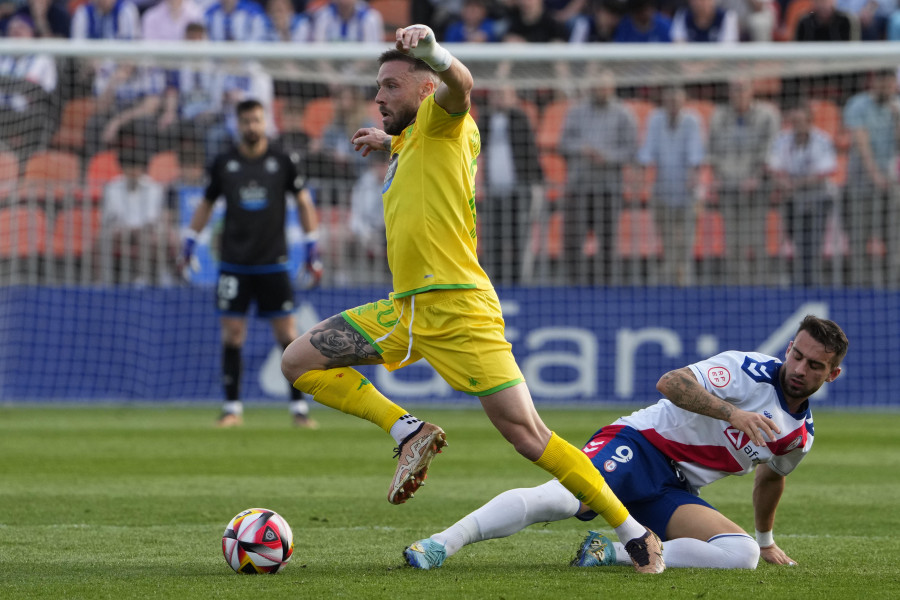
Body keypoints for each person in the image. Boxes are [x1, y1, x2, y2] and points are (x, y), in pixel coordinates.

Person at [280, 24, 664, 574]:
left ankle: (633, 534)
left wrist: (434, 52)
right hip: (405, 309)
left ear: (424, 91)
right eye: (377, 87)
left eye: (390, 85)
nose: (379, 96)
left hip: (459, 309)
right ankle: (408, 430)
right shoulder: (415, 139)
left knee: (529, 437)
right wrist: (386, 142)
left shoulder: (443, 118)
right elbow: (420, 151)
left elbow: (461, 85)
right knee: (298, 361)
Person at [403, 315, 848, 571]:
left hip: (672, 490)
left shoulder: (799, 437)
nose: (799, 368)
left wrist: (766, 539)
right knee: (560, 500)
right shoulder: (746, 369)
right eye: (796, 355)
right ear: (789, 348)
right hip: (638, 447)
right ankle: (442, 543)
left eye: (814, 365)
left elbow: (771, 479)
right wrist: (734, 414)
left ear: (832, 375)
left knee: (741, 555)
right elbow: (670, 382)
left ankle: (612, 550)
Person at [181, 99, 322, 428]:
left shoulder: (283, 159)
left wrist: (312, 245)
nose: (251, 127)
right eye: (245, 121)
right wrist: (190, 241)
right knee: (232, 334)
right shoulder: (224, 162)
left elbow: (303, 202)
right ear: (237, 124)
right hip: (234, 262)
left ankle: (299, 409)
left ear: (265, 122)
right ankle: (232, 408)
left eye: (256, 120)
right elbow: (206, 203)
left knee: (288, 335)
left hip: (274, 261)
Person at [559, 67, 638, 285]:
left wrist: (607, 157)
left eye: (605, 86)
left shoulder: (624, 113)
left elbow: (631, 150)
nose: (601, 90)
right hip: (580, 186)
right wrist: (581, 149)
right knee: (574, 240)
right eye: (597, 85)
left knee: (608, 241)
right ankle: (574, 287)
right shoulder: (576, 112)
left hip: (608, 188)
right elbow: (563, 143)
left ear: (612, 88)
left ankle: (607, 288)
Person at [708, 77, 779, 285]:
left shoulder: (767, 115)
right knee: (733, 242)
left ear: (751, 91)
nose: (738, 94)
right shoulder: (718, 116)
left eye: (742, 89)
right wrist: (719, 177)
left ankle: (761, 286)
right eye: (734, 90)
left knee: (757, 239)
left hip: (757, 188)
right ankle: (736, 288)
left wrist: (756, 177)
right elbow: (712, 151)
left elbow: (770, 149)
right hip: (728, 187)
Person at [637, 85, 705, 286]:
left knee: (685, 243)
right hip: (663, 191)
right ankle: (670, 284)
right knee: (667, 244)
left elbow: (696, 154)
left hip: (688, 193)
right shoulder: (655, 119)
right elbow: (647, 151)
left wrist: (693, 179)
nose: (673, 105)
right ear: (664, 101)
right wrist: (641, 173)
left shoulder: (693, 120)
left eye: (677, 101)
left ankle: (685, 284)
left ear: (684, 101)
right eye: (669, 100)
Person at [477, 84, 544, 285]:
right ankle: (493, 283)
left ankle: (517, 282)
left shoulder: (520, 119)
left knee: (518, 237)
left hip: (519, 189)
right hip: (492, 190)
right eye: (496, 94)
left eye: (504, 95)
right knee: (492, 237)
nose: (499, 99)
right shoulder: (485, 120)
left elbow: (530, 154)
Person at [767, 99, 837, 288]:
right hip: (791, 199)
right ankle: (800, 280)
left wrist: (795, 183)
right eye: (794, 122)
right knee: (797, 240)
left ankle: (812, 281)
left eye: (801, 121)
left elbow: (826, 170)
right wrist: (784, 183)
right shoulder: (782, 139)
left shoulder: (822, 139)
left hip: (819, 198)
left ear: (809, 121)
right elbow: (773, 166)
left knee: (813, 242)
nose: (797, 126)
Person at [842, 69, 900, 288]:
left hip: (891, 184)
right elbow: (861, 142)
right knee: (859, 239)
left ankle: (894, 287)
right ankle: (859, 288)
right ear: (873, 82)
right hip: (860, 184)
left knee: (895, 239)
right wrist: (875, 175)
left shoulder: (897, 107)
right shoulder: (858, 104)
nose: (886, 87)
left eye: (890, 83)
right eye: (882, 83)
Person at [99, 140, 178, 285]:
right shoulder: (112, 187)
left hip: (145, 231)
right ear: (123, 168)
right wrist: (126, 228)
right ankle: (104, 280)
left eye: (136, 167)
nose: (133, 172)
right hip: (120, 230)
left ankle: (144, 279)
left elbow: (151, 217)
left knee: (148, 239)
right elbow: (111, 215)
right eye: (129, 167)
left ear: (142, 169)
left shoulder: (154, 188)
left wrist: (139, 228)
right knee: (104, 237)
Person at [670, 0, 740, 43]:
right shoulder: (682, 15)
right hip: (689, 65)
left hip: (721, 66)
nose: (698, 3)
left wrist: (702, 66)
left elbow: (728, 51)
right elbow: (678, 46)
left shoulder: (728, 17)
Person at [794, 0, 861, 41]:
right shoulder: (804, 22)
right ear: (813, 2)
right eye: (820, 1)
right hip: (810, 63)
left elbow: (853, 51)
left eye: (826, 1)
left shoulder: (846, 21)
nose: (823, 5)